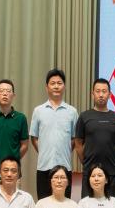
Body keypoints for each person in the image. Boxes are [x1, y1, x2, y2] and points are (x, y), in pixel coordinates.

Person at [29, 68, 79, 198]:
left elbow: (74, 138)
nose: (56, 86)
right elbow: (34, 137)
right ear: (47, 87)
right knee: (43, 204)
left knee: (64, 204)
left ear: (64, 86)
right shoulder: (38, 111)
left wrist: (65, 150)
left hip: (65, 167)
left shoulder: (72, 112)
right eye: (52, 83)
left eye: (59, 83)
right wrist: (44, 150)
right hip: (44, 166)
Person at [75, 78, 115, 198]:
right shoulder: (84, 116)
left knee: (112, 207)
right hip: (90, 173)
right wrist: (85, 161)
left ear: (110, 95)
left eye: (104, 91)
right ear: (92, 94)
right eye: (97, 91)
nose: (101, 95)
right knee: (88, 206)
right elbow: (78, 143)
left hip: (112, 173)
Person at [0, 79, 30, 194]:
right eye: (2, 91)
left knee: (13, 204)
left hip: (13, 174)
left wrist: (14, 158)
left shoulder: (21, 118)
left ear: (13, 95)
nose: (5, 94)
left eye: (8, 91)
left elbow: (24, 145)